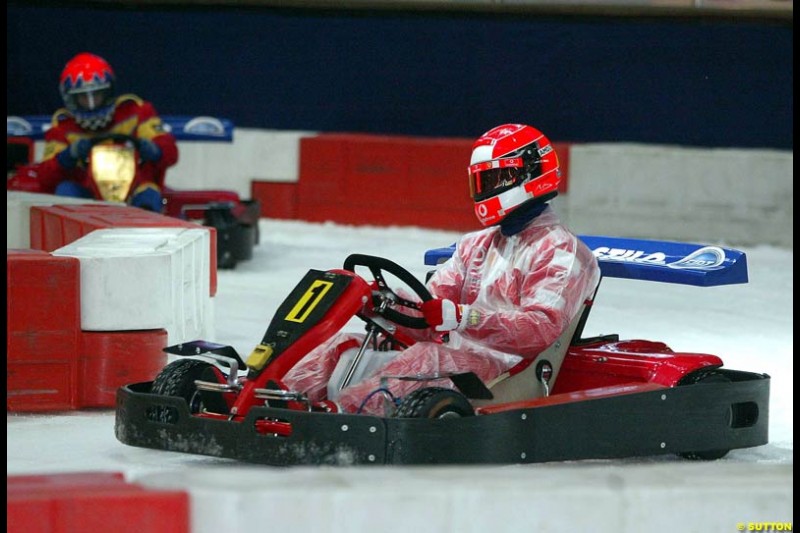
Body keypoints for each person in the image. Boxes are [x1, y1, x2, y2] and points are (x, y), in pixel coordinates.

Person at [283, 123, 601, 415]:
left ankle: (337, 415)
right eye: (482, 180)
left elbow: (538, 330)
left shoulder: (562, 250)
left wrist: (463, 316)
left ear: (531, 174)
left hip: (512, 371)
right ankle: (276, 398)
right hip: (458, 355)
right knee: (344, 344)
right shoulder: (476, 245)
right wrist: (386, 301)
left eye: (496, 179)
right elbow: (430, 310)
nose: (487, 188)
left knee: (426, 358)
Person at [7, 52, 178, 211]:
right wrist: (67, 157)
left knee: (150, 195)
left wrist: (154, 150)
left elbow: (170, 152)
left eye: (96, 95)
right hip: (87, 193)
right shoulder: (62, 129)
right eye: (83, 97)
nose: (91, 104)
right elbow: (45, 178)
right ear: (71, 99)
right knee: (65, 191)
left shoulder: (136, 112)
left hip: (135, 189)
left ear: (108, 91)